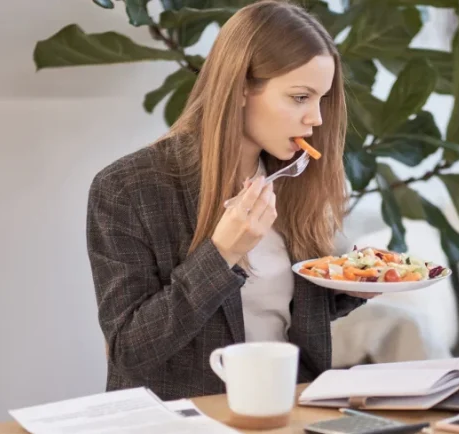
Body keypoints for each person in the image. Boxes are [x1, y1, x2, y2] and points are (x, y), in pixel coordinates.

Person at [86, 0, 375, 401]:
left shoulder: (291, 179)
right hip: (184, 421)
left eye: (321, 99)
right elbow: (130, 350)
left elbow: (277, 310)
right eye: (299, 97)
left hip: (286, 409)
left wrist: (353, 285)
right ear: (241, 88)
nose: (316, 118)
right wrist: (222, 252)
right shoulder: (127, 188)